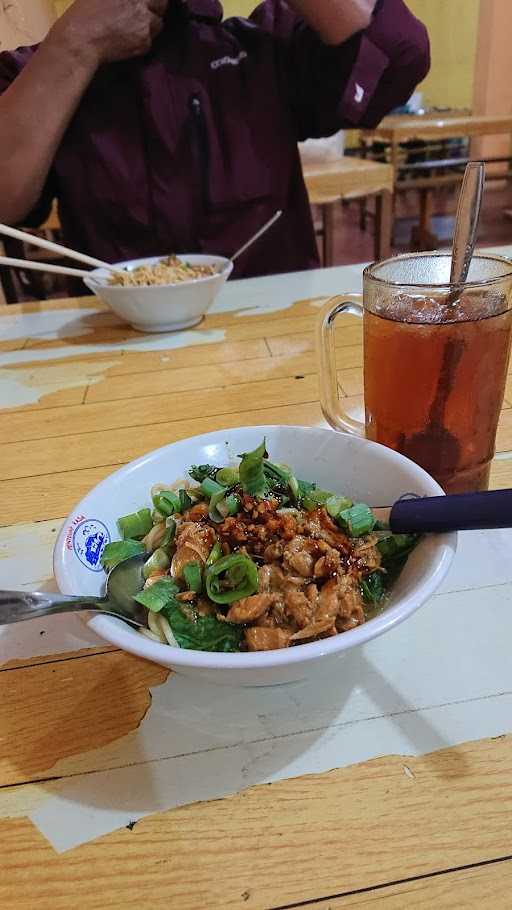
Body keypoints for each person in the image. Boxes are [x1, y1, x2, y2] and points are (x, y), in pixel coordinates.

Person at [0, 0, 429, 278]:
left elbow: (400, 56)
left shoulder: (265, 49)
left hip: (270, 346)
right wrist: (74, 43)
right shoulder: (41, 73)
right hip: (117, 357)